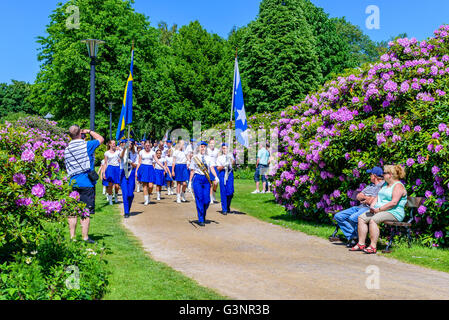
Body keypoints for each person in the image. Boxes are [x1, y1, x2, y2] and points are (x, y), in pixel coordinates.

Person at [350, 165, 407, 254]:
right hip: (379, 210)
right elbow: (377, 196)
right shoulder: (385, 184)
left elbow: (394, 203)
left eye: (384, 173)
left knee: (374, 220)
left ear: (390, 175)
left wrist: (379, 209)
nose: (382, 175)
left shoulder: (398, 186)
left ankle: (373, 246)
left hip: (393, 212)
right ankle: (361, 243)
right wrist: (372, 206)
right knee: (361, 218)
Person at [64, 125, 104, 243]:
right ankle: (85, 237)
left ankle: (72, 237)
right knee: (85, 211)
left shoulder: (67, 149)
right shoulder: (86, 145)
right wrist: (89, 131)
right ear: (80, 134)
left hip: (72, 183)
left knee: (72, 211)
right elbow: (100, 139)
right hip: (86, 183)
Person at [334, 166, 384, 248]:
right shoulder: (370, 185)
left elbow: (372, 201)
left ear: (374, 176)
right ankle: (354, 237)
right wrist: (367, 198)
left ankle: (357, 239)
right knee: (338, 216)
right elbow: (358, 196)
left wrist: (366, 198)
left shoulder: (382, 186)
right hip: (359, 207)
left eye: (370, 174)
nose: (369, 176)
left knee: (353, 218)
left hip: (369, 209)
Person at [188, 141, 219, 226]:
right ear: (198, 148)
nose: (203, 148)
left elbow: (212, 168)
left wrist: (216, 176)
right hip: (197, 178)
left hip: (206, 179)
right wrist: (190, 182)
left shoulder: (209, 158)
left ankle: (203, 213)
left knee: (207, 200)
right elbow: (192, 170)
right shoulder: (195, 158)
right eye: (201, 146)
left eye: (204, 147)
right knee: (199, 198)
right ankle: (200, 219)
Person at [120, 139, 138, 218]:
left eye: (131, 143)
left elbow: (135, 165)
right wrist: (124, 148)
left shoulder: (135, 153)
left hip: (131, 172)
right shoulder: (123, 151)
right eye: (128, 143)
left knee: (130, 194)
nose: (129, 145)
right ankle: (126, 212)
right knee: (125, 193)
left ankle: (128, 208)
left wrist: (130, 162)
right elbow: (121, 156)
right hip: (123, 172)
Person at [215, 143, 235, 215]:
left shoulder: (230, 155)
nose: (224, 150)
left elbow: (233, 163)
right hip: (223, 173)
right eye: (223, 148)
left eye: (226, 148)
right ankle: (224, 209)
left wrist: (231, 160)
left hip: (229, 173)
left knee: (230, 192)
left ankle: (228, 205)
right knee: (223, 191)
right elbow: (218, 168)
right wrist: (224, 166)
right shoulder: (219, 157)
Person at [136, 140, 155, 205]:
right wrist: (136, 171)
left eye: (148, 145)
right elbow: (139, 162)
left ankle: (149, 194)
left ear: (150, 145)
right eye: (146, 145)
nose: (147, 146)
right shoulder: (141, 152)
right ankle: (146, 200)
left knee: (150, 186)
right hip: (143, 168)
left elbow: (157, 160)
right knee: (144, 185)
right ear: (144, 145)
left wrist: (163, 166)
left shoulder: (152, 152)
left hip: (150, 168)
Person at [104, 140, 121, 205]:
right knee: (110, 185)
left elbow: (121, 157)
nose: (114, 144)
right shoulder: (106, 153)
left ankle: (116, 196)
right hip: (110, 168)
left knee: (117, 186)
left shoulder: (118, 152)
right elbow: (105, 163)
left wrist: (120, 150)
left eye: (115, 143)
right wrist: (103, 173)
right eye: (113, 143)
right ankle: (110, 200)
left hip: (117, 168)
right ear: (110, 145)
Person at [208, 138, 220, 204]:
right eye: (211, 143)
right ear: (209, 144)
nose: (212, 144)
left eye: (213, 143)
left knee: (216, 183)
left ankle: (214, 193)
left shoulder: (217, 150)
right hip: (209, 168)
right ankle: (211, 198)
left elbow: (219, 158)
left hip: (215, 167)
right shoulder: (207, 150)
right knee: (210, 183)